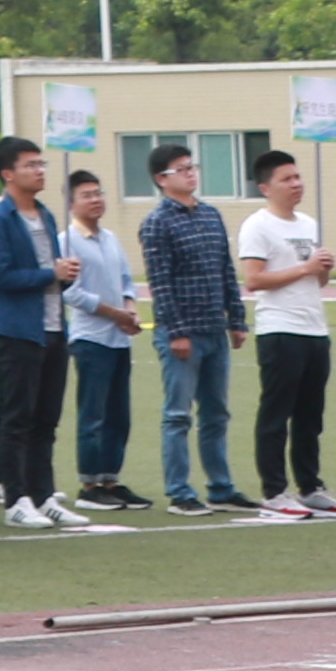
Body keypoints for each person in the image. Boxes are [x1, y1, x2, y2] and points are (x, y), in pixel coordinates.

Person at [137, 146, 246, 514]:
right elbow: (160, 282)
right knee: (178, 415)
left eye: (191, 166)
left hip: (214, 329)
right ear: (161, 179)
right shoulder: (158, 222)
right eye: (181, 169)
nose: (190, 173)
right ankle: (179, 491)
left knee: (216, 414)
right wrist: (177, 331)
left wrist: (236, 319)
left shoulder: (211, 215)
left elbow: (226, 270)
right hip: (182, 333)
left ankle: (221, 488)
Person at [0, 149, 71, 526]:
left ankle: (43, 495)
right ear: (8, 173)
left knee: (47, 418)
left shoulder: (45, 214)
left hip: (53, 325)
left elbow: (53, 270)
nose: (39, 171)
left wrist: (65, 274)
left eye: (41, 164)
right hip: (18, 329)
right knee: (18, 416)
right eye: (30, 165)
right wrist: (51, 274)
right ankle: (15, 498)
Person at [239, 152, 336, 517]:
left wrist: (323, 269)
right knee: (276, 414)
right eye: (287, 179)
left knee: (311, 416)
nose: (296, 184)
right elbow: (254, 280)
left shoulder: (310, 224)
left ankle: (310, 487)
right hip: (280, 330)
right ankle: (274, 492)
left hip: (315, 328)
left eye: (298, 177)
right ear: (266, 187)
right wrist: (305, 268)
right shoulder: (258, 225)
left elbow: (317, 280)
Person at [55, 165, 143, 509]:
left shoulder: (110, 239)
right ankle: (89, 485)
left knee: (119, 415)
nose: (96, 200)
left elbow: (126, 281)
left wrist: (130, 310)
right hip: (91, 338)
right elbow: (70, 292)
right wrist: (113, 313)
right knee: (93, 415)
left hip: (119, 338)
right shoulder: (67, 241)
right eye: (87, 195)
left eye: (98, 193)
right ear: (71, 203)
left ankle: (111, 479)